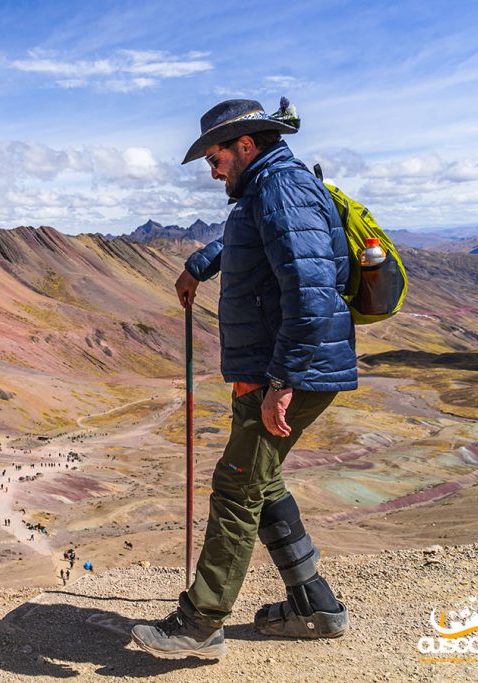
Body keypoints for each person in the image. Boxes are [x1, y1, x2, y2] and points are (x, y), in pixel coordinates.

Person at [131, 98, 356, 660]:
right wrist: (199, 265)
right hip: (276, 367)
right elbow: (251, 243)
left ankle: (200, 623)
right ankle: (314, 605)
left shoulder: (281, 188)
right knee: (263, 479)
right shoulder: (267, 191)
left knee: (237, 486)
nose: (212, 170)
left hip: (286, 369)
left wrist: (283, 379)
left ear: (245, 146)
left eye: (215, 156)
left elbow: (308, 286)